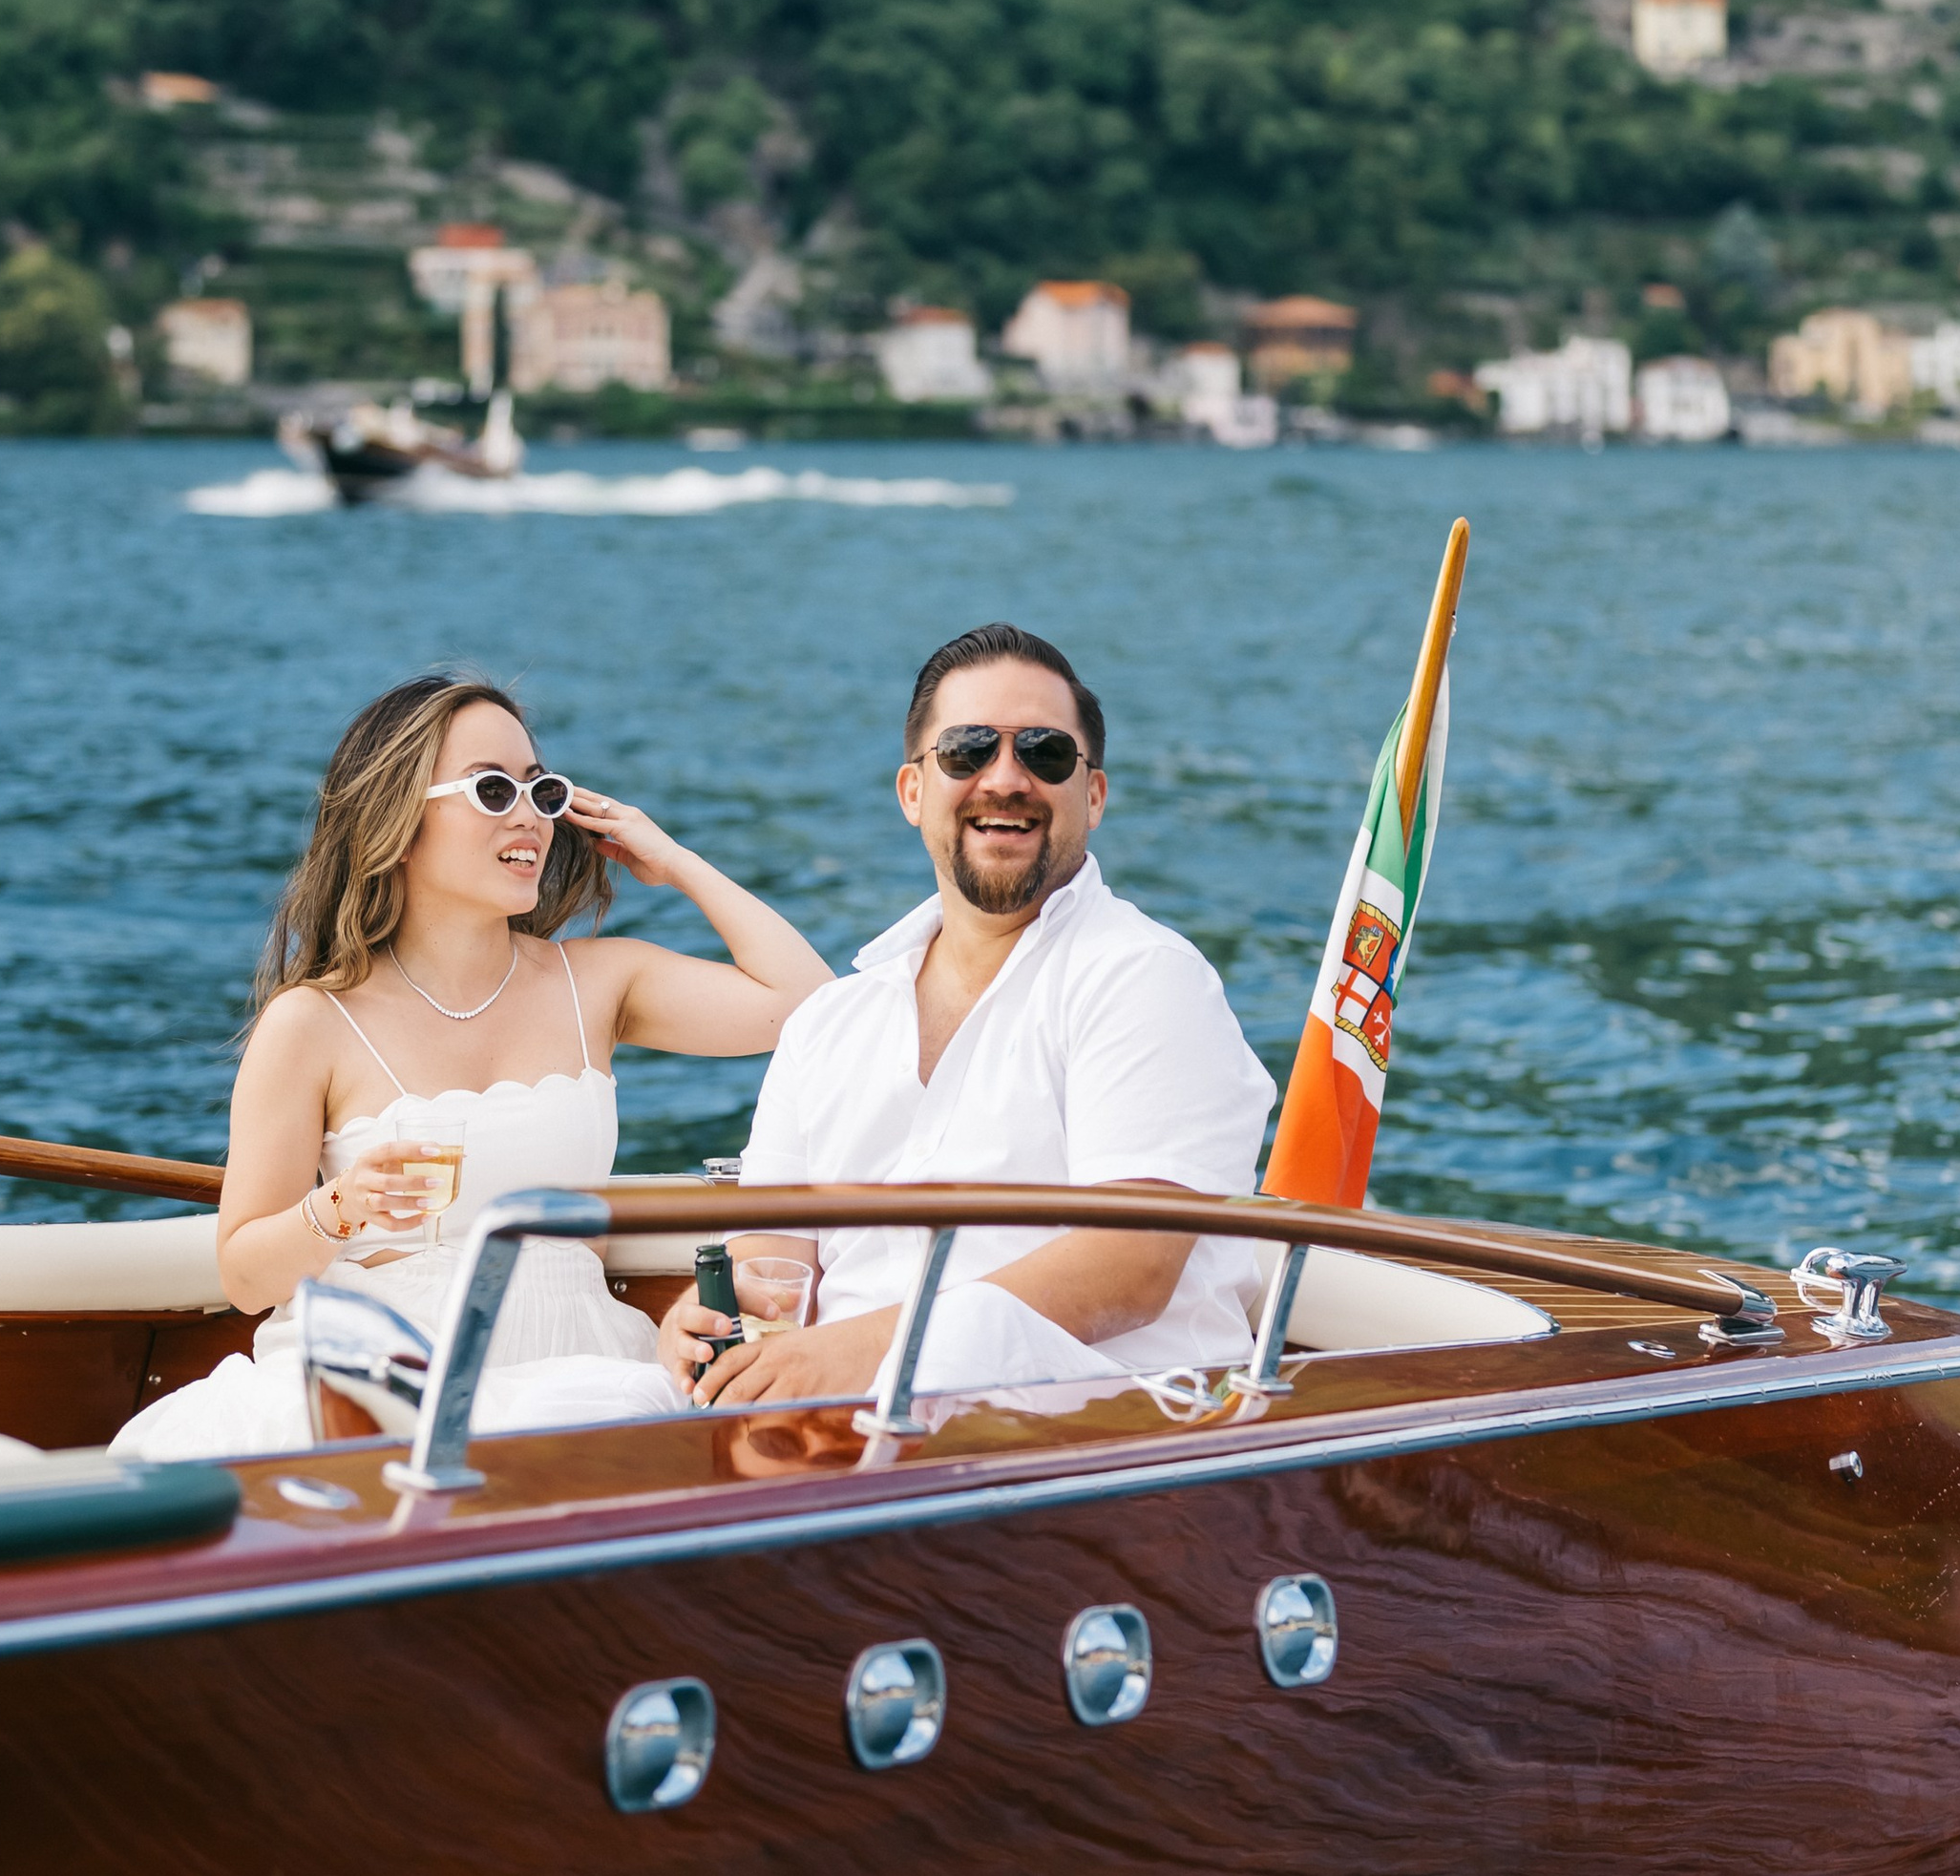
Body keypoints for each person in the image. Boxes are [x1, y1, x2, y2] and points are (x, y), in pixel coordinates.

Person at [115, 672, 831, 1459]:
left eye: (542, 790)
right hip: (379, 1379)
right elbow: (246, 1275)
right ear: (400, 816)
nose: (531, 816)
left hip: (578, 1365)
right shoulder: (310, 1022)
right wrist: (345, 1206)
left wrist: (674, 858)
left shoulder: (594, 982)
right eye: (494, 790)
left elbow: (811, 1006)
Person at [662, 622, 1275, 1411]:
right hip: (839, 1428)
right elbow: (773, 1258)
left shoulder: (1145, 978)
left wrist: (859, 1354)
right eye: (968, 750)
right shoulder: (830, 1023)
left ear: (1093, 795)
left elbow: (1131, 1261)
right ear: (914, 791)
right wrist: (711, 1314)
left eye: (1045, 752)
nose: (1006, 778)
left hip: (1090, 1442)